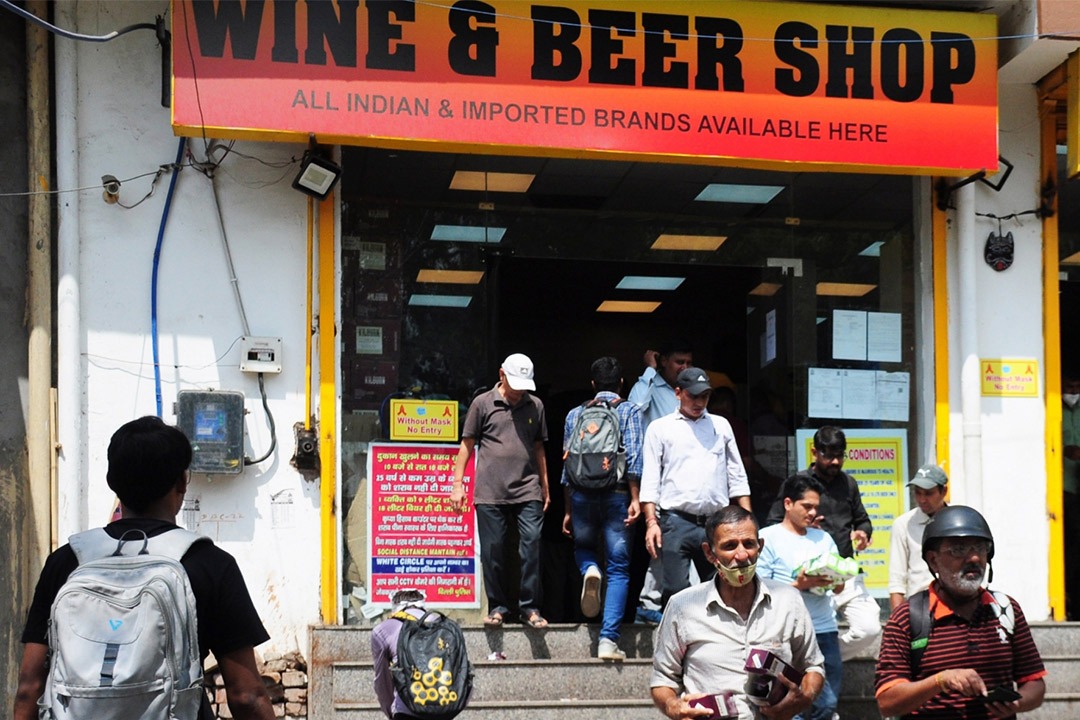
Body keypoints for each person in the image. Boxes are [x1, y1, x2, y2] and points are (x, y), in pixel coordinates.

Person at [14, 416, 274, 720]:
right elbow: (246, 696)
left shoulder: (68, 561)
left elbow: (30, 686)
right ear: (182, 482)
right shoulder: (210, 564)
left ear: (112, 482)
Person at [650, 505, 825, 720]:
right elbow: (662, 679)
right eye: (729, 546)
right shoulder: (683, 606)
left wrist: (802, 699)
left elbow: (813, 666)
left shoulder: (788, 600)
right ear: (709, 553)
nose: (742, 555)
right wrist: (674, 706)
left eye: (749, 544)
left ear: (760, 547)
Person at [875, 505, 1047, 718]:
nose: (974, 558)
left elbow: (1034, 683)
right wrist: (941, 680)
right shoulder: (907, 618)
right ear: (933, 560)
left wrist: (1017, 703)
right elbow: (887, 702)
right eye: (958, 550)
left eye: (980, 548)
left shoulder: (1005, 609)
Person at [449, 353, 550, 628]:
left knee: (532, 545)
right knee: (493, 551)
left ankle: (530, 608)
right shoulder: (482, 403)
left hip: (528, 489)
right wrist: (457, 485)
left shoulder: (535, 405)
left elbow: (539, 447)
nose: (519, 392)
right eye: (515, 384)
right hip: (490, 492)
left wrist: (545, 485)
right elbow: (466, 445)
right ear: (502, 374)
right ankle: (498, 607)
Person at [766, 426, 881, 660]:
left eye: (840, 455)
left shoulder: (849, 484)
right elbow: (774, 522)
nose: (835, 461)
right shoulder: (798, 483)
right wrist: (804, 529)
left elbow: (862, 519)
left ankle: (827, 656)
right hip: (807, 578)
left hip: (843, 574)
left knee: (869, 628)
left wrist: (862, 532)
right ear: (814, 452)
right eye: (828, 455)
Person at [640, 367, 752, 607]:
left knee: (721, 588)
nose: (699, 402)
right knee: (675, 591)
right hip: (675, 521)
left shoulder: (721, 425)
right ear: (678, 393)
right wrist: (651, 523)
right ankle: (677, 631)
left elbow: (737, 475)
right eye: (693, 396)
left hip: (716, 523)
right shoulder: (660, 428)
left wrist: (747, 521)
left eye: (705, 396)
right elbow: (650, 480)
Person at [561, 356, 644, 660]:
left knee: (583, 548)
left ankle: (590, 569)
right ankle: (608, 640)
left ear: (593, 384)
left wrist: (568, 510)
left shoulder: (575, 414)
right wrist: (636, 499)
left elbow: (567, 465)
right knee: (619, 568)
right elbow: (634, 458)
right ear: (622, 383)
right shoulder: (629, 410)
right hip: (617, 495)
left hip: (582, 495)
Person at [758, 476, 843, 720]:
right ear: (788, 504)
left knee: (826, 704)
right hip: (785, 633)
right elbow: (760, 590)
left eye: (816, 507)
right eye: (807, 506)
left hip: (824, 629)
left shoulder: (823, 539)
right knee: (790, 702)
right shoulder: (767, 538)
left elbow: (839, 588)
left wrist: (835, 579)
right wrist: (799, 585)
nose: (812, 512)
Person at [628, 341, 694, 624]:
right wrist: (649, 371)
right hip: (657, 480)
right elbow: (634, 408)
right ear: (664, 361)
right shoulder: (651, 386)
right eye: (679, 362)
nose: (684, 368)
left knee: (675, 542)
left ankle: (656, 603)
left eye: (688, 363)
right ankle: (650, 603)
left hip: (687, 478)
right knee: (662, 541)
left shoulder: (690, 392)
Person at [888, 464, 949, 610]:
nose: (922, 499)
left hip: (955, 604)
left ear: (943, 491)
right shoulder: (903, 524)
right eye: (917, 493)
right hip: (920, 606)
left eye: (928, 493)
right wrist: (898, 619)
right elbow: (897, 581)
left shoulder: (958, 521)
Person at [371, 589, 427, 720]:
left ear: (395, 606)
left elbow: (382, 681)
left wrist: (390, 711)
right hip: (442, 707)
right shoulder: (442, 625)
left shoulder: (384, 629)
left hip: (406, 710)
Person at [1062, 369, 1080, 619]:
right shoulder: (1053, 410)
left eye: (1077, 388)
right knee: (1069, 546)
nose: (1074, 393)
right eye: (1069, 387)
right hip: (1063, 490)